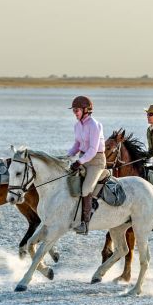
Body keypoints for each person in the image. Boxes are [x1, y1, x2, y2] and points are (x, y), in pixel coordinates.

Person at [67, 95, 106, 235]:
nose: (74, 113)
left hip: (96, 161)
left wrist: (79, 161)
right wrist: (67, 156)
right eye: (73, 111)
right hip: (83, 158)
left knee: (85, 189)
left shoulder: (94, 125)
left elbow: (93, 149)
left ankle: (85, 224)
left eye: (76, 110)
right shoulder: (77, 126)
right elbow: (77, 145)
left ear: (86, 110)